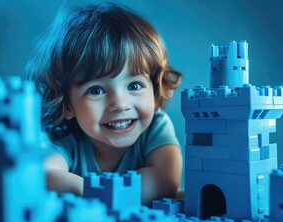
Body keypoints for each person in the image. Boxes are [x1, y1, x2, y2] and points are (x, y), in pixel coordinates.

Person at [26, 2, 183, 206]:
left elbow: (165, 180)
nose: (119, 104)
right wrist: (99, 193)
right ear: (67, 106)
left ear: (153, 89)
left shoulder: (156, 127)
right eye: (96, 90)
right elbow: (42, 175)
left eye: (134, 85)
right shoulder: (66, 137)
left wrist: (92, 194)